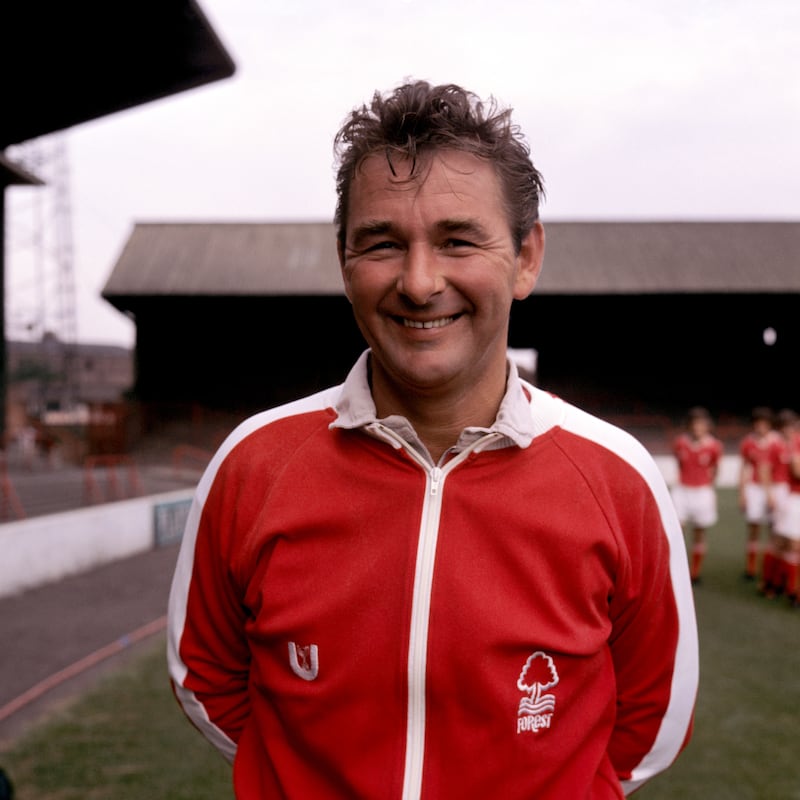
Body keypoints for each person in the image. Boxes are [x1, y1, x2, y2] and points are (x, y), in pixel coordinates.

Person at [167, 80, 698, 799]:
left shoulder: (616, 477)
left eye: (457, 240)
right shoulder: (254, 464)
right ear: (344, 261)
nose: (419, 283)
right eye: (383, 243)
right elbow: (206, 675)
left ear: (526, 257)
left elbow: (652, 716)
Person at [671, 407, 724, 584]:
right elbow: (679, 463)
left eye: (701, 425)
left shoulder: (715, 446)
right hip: (682, 490)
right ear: (689, 426)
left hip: (702, 492)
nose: (697, 428)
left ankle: (695, 572)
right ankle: (675, 568)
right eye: (694, 425)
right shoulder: (680, 442)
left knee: (699, 533)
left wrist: (708, 486)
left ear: (707, 426)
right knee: (676, 530)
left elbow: (715, 468)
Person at [738, 407, 778, 580]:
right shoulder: (748, 442)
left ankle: (771, 567)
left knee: (774, 529)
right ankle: (751, 567)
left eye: (764, 424)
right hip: (754, 488)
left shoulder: (777, 442)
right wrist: (742, 493)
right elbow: (745, 467)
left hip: (774, 488)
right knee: (754, 527)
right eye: (757, 423)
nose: (760, 427)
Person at [766, 409, 800, 603]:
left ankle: (786, 586)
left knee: (790, 545)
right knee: (785, 542)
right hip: (793, 498)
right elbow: (796, 470)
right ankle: (775, 583)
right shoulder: (792, 443)